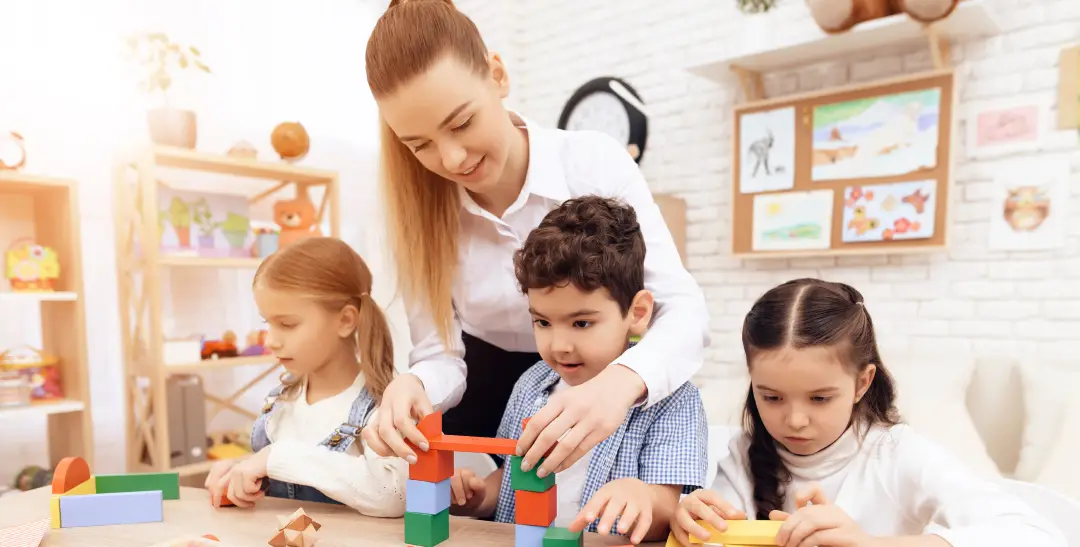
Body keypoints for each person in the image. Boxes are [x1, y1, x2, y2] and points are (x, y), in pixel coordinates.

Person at [361, 0, 710, 478]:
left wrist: (620, 383)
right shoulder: (414, 213)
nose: (453, 158)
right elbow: (439, 356)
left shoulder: (592, 163)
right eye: (419, 145)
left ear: (497, 75)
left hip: (600, 387)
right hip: (480, 406)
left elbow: (682, 309)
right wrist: (414, 384)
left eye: (461, 123)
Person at [669, 279, 1067, 547]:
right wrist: (690, 523)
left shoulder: (897, 455)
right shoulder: (743, 453)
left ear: (862, 383)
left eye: (820, 398)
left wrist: (870, 544)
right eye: (771, 397)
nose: (794, 420)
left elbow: (1038, 535)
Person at [446, 196, 708, 544]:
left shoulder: (674, 400)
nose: (559, 346)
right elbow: (511, 476)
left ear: (638, 313)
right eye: (542, 322)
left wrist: (642, 497)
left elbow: (666, 510)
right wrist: (479, 497)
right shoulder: (530, 384)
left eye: (581, 323)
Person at [205, 237, 408, 517]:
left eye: (287, 324)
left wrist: (275, 458)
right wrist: (242, 470)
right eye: (268, 323)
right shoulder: (281, 401)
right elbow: (280, 471)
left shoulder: (385, 405)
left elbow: (394, 496)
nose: (271, 340)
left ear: (345, 321)